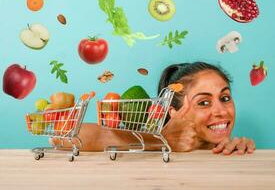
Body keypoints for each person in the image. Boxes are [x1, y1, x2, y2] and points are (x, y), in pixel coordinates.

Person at [55, 61, 255, 155]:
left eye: (225, 97)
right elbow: (65, 136)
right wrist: (160, 141)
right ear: (174, 113)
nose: (221, 111)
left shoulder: (232, 149)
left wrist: (238, 152)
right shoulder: (156, 155)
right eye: (203, 102)